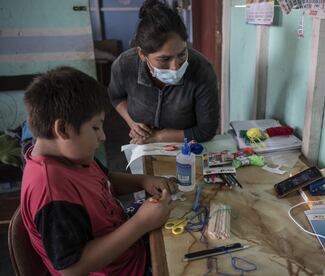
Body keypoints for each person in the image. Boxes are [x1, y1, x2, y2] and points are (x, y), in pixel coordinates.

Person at [21, 66, 177, 275]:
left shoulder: (72, 154)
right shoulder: (51, 191)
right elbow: (72, 268)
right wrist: (141, 223)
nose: (103, 136)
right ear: (63, 129)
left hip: (127, 245)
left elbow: (107, 179)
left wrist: (143, 181)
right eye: (95, 127)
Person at [108, 0, 219, 144]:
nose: (175, 67)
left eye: (181, 54)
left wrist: (158, 137)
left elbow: (206, 130)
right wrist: (133, 124)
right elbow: (116, 97)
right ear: (142, 54)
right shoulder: (125, 65)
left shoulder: (202, 70)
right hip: (141, 143)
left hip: (187, 146)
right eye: (164, 59)